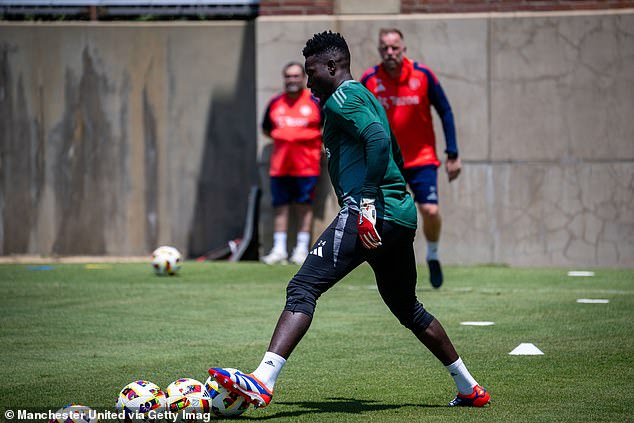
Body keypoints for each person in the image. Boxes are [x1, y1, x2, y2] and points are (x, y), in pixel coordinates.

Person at [209, 30, 490, 409]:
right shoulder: (367, 96)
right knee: (408, 308)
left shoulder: (343, 99)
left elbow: (377, 140)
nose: (309, 81)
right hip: (399, 216)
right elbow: (395, 149)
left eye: (312, 72)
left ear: (332, 66)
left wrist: (369, 202)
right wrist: (391, 195)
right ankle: (469, 387)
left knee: (302, 288)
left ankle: (262, 379)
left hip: (369, 212)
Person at [361, 28, 461, 288]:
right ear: (379, 50)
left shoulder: (423, 75)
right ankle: (390, 267)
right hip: (387, 161)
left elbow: (446, 111)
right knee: (387, 218)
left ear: (403, 48)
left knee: (430, 210)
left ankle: (433, 254)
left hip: (422, 158)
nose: (390, 52)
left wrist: (453, 153)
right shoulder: (370, 79)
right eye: (385, 48)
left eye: (395, 47)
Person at [261, 62, 324, 265]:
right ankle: (279, 250)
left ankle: (301, 249)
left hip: (306, 165)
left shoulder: (315, 102)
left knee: (304, 206)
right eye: (288, 76)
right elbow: (266, 128)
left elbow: (327, 127)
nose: (292, 80)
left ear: (304, 78)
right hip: (279, 166)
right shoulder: (275, 102)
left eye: (296, 76)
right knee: (280, 206)